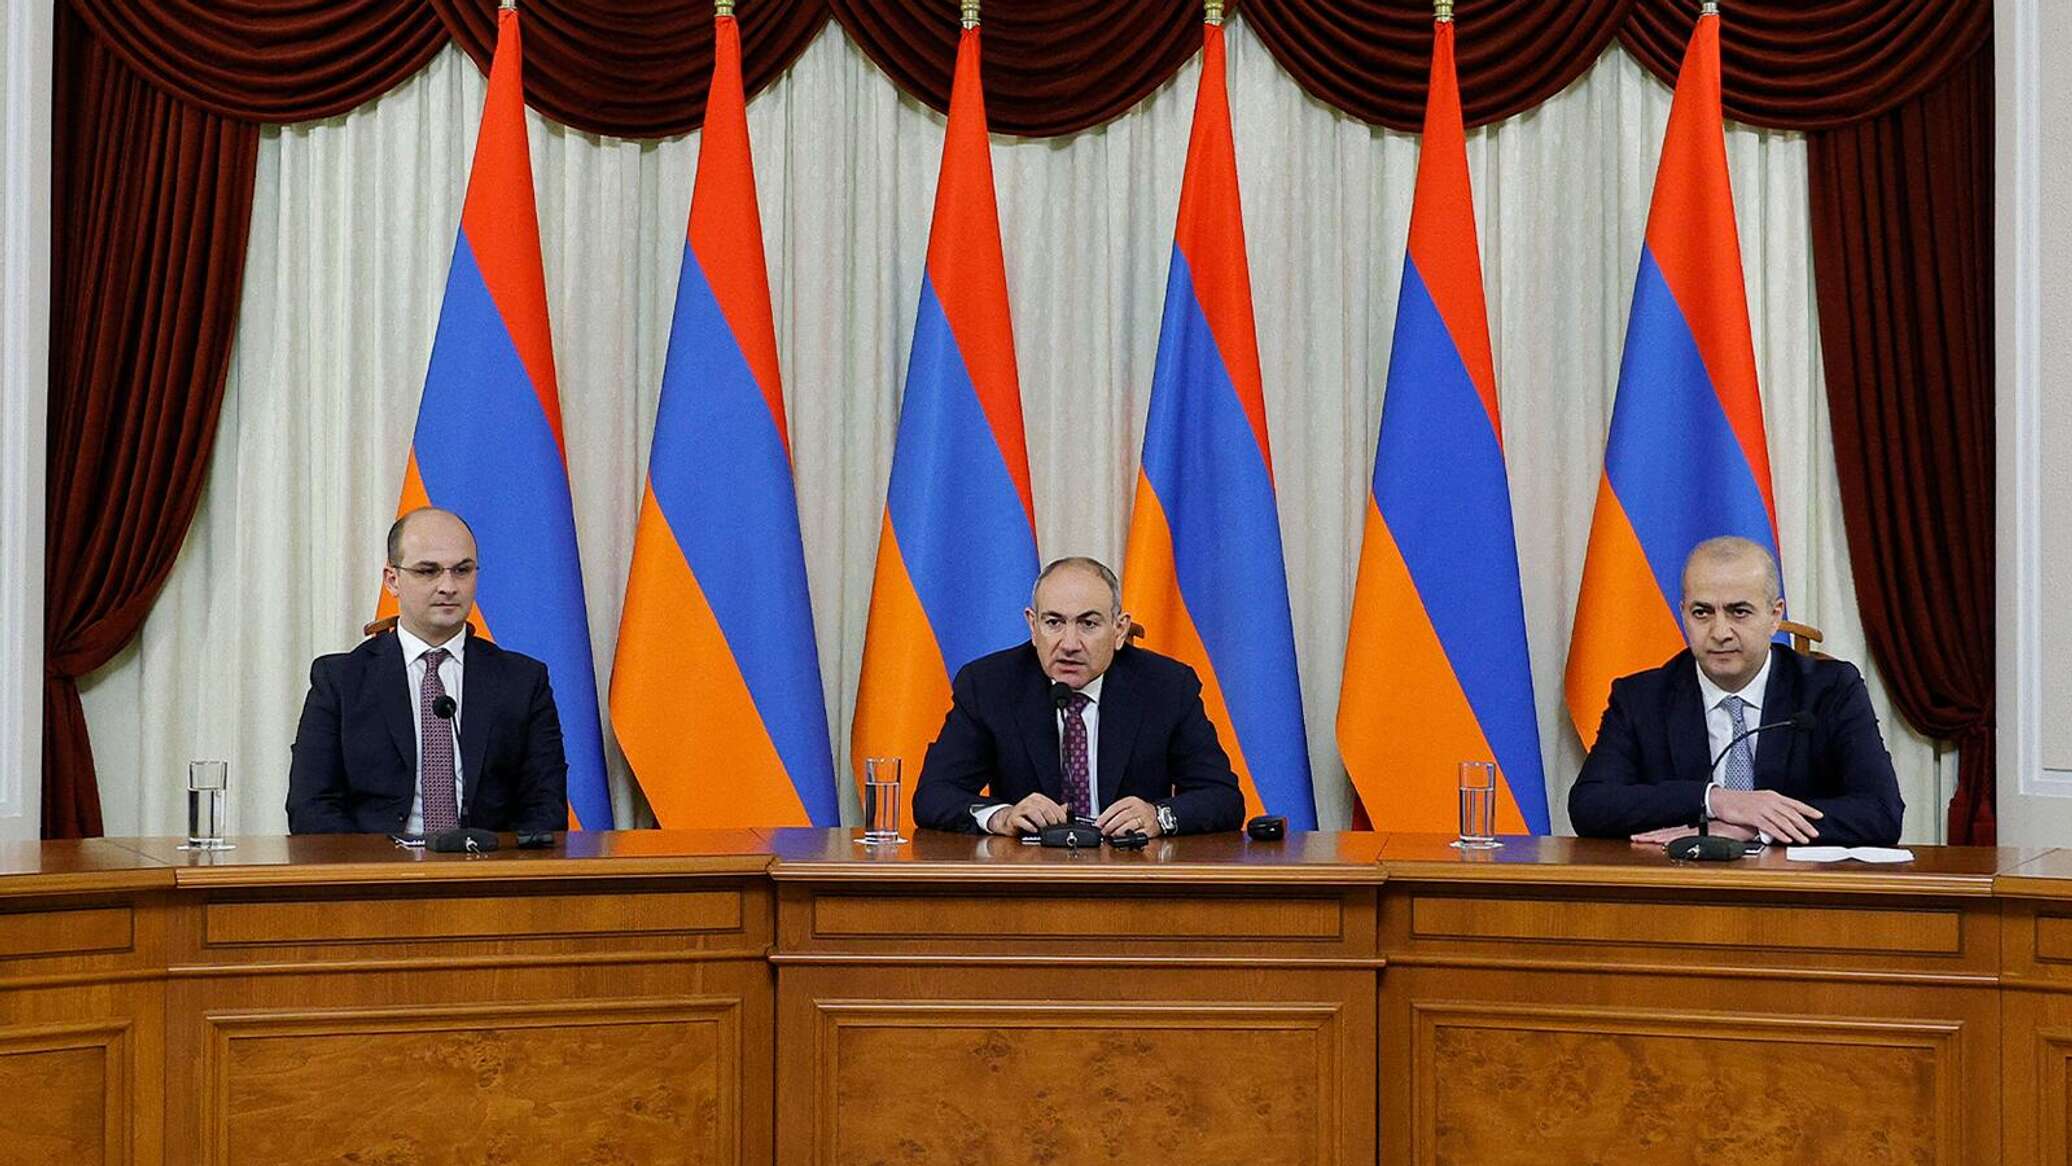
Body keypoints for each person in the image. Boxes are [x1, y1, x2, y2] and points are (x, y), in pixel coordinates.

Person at [1569, 536, 1904, 847]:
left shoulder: (1830, 689)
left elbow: (1881, 811)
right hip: (1682, 884)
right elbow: (1590, 805)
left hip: (1794, 887)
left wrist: (1754, 827)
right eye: (1702, 613)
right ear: (1683, 613)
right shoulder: (1642, 698)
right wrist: (1715, 800)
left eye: (1739, 612)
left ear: (1775, 616)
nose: (1720, 632)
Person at [912, 557, 1245, 837]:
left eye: (1088, 624)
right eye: (1054, 622)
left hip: (1133, 877)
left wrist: (1158, 817)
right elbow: (933, 796)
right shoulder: (989, 685)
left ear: (1119, 630)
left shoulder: (1167, 686)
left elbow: (1223, 798)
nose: (1069, 644)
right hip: (1029, 878)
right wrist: (1001, 816)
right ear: (1033, 626)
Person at [285, 507, 568, 835]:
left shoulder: (522, 681)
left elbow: (546, 808)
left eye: (462, 570)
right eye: (428, 571)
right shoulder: (340, 681)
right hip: (377, 864)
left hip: (488, 863)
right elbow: (310, 807)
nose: (448, 586)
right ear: (392, 580)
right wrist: (377, 864)